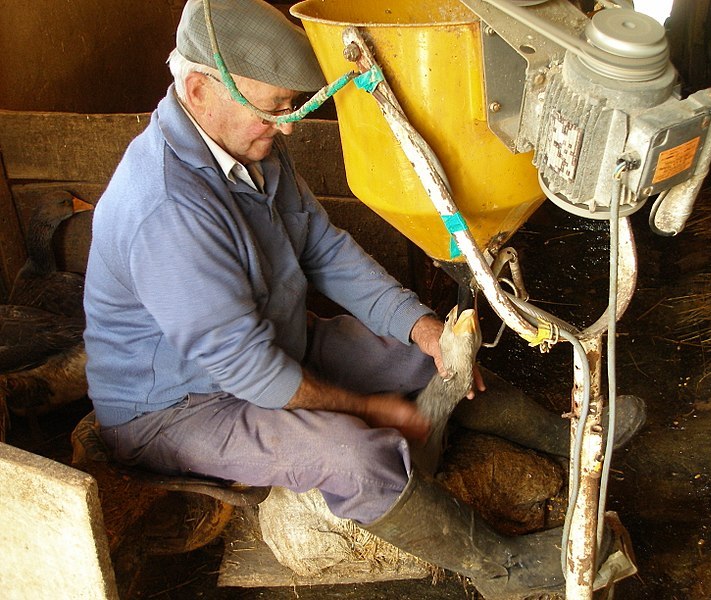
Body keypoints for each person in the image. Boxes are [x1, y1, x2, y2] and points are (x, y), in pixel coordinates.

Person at [83, 1, 640, 596]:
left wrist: (421, 327)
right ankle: (501, 570)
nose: (287, 126)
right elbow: (251, 373)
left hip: (273, 337)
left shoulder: (247, 147)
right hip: (179, 405)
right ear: (199, 90)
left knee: (426, 360)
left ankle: (563, 437)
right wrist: (369, 410)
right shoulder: (167, 208)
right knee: (354, 454)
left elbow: (322, 249)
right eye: (274, 110)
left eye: (290, 108)